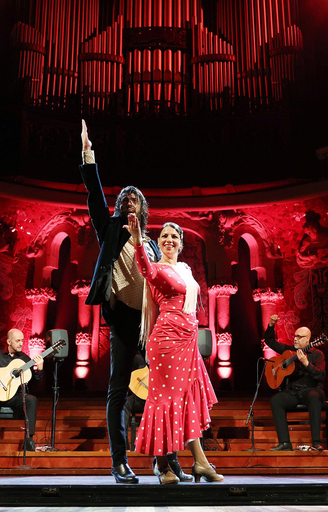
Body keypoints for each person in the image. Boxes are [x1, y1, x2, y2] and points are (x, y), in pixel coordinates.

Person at [80, 121, 191, 484]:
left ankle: (166, 459)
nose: (130, 202)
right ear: (120, 206)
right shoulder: (110, 230)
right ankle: (119, 461)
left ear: (143, 209)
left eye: (136, 200)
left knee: (164, 390)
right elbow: (95, 197)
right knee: (117, 390)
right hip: (123, 324)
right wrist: (88, 155)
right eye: (125, 198)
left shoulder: (154, 246)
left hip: (152, 326)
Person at [126, 214, 222, 484]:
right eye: (165, 236)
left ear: (181, 244)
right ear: (159, 242)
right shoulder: (157, 268)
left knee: (187, 401)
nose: (170, 240)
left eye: (175, 237)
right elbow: (145, 269)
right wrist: (136, 242)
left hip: (188, 341)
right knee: (166, 401)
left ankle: (192, 463)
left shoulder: (186, 270)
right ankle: (167, 463)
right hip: (167, 340)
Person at [263, 314, 326, 451]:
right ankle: (285, 443)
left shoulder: (317, 354)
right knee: (276, 400)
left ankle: (316, 442)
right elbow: (270, 341)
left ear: (308, 339)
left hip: (310, 390)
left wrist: (306, 363)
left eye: (299, 337)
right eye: (295, 336)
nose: (295, 339)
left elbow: (321, 376)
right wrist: (271, 325)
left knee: (314, 396)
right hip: (293, 392)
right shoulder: (289, 351)